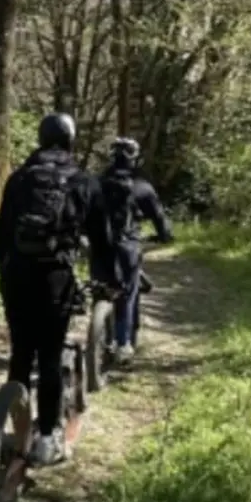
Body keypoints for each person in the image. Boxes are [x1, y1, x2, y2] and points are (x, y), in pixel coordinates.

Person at [0, 113, 117, 467]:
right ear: (70, 141)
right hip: (55, 279)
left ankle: (15, 434)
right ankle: (47, 438)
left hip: (16, 276)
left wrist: (4, 271)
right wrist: (106, 281)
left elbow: (1, 233)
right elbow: (103, 239)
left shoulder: (18, 179)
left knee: (20, 354)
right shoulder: (84, 181)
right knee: (49, 357)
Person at [99, 137, 172, 365]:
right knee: (128, 293)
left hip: (99, 246)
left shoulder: (95, 183)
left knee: (99, 286)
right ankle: (124, 344)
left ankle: (99, 336)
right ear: (134, 159)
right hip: (127, 247)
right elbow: (159, 218)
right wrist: (163, 236)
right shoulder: (141, 187)